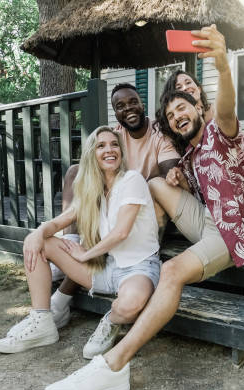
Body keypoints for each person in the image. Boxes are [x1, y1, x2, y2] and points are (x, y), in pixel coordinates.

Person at [42, 24, 244, 390]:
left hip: (231, 233)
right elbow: (177, 177)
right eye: (171, 114)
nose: (178, 116)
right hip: (206, 221)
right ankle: (136, 251)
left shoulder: (219, 132)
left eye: (184, 108)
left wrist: (223, 66)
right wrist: (176, 175)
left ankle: (114, 365)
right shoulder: (191, 155)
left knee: (173, 270)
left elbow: (226, 107)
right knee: (157, 183)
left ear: (199, 108)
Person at [0, 126, 161, 370]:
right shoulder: (92, 189)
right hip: (105, 268)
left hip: (138, 268)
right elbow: (63, 220)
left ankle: (110, 322)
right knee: (41, 244)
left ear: (121, 152)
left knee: (130, 304)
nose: (109, 150)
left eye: (114, 144)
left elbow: (121, 232)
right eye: (101, 145)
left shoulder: (131, 180)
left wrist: (86, 254)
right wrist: (38, 233)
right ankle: (42, 321)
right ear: (91, 154)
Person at [48, 83, 180, 332]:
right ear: (115, 112)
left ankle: (63, 297)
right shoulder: (116, 135)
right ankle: (72, 241)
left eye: (133, 102)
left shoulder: (159, 135)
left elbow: (168, 169)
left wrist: (150, 177)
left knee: (153, 184)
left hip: (147, 212)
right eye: (120, 106)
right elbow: (98, 166)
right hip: (115, 203)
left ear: (142, 104)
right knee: (76, 171)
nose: (128, 109)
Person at [160, 69, 244, 198]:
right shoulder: (178, 122)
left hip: (229, 169)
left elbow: (240, 140)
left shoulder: (215, 111)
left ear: (199, 88)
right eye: (179, 87)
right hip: (200, 177)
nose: (186, 88)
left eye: (188, 82)